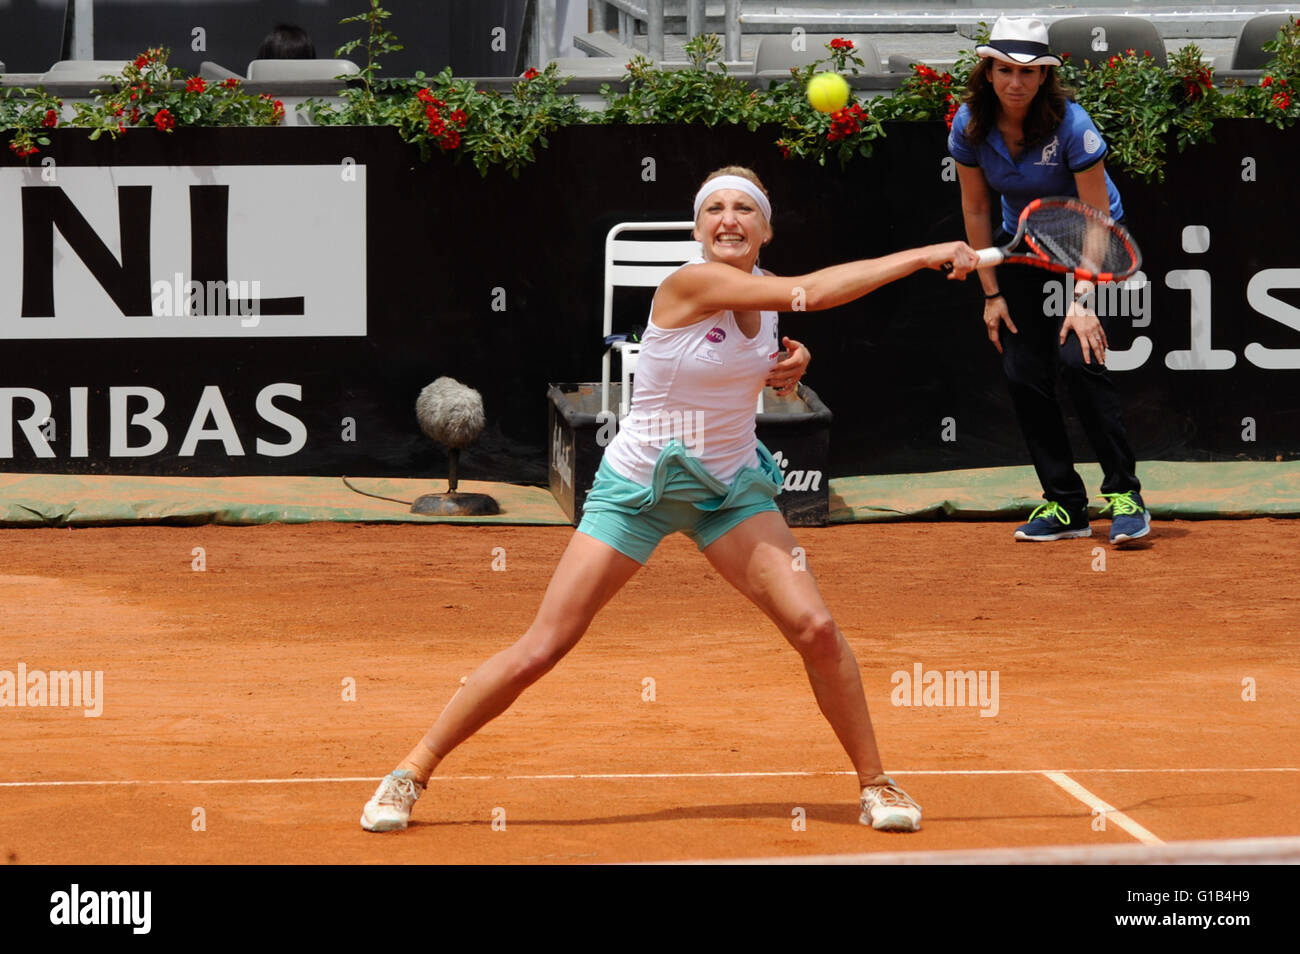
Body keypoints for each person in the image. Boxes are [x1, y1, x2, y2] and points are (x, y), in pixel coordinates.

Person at [360, 166, 979, 834]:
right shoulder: (690, 282)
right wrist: (925, 254)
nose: (728, 219)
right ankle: (408, 774)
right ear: (697, 229)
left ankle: (877, 784)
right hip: (638, 491)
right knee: (544, 646)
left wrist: (793, 364)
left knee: (818, 630)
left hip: (729, 492)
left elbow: (768, 339)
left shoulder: (764, 295)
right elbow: (816, 293)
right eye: (713, 209)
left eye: (745, 208)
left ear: (765, 228)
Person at [948, 16, 1151, 545]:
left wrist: (1082, 299)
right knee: (1022, 372)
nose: (1016, 81)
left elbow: (1097, 215)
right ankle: (1065, 505)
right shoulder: (969, 123)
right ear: (988, 72)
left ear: (1044, 78)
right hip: (1024, 240)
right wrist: (990, 293)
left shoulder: (1071, 124)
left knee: (1077, 363)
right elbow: (975, 207)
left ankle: (1125, 494)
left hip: (1089, 237)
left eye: (1029, 72)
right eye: (1005, 69)